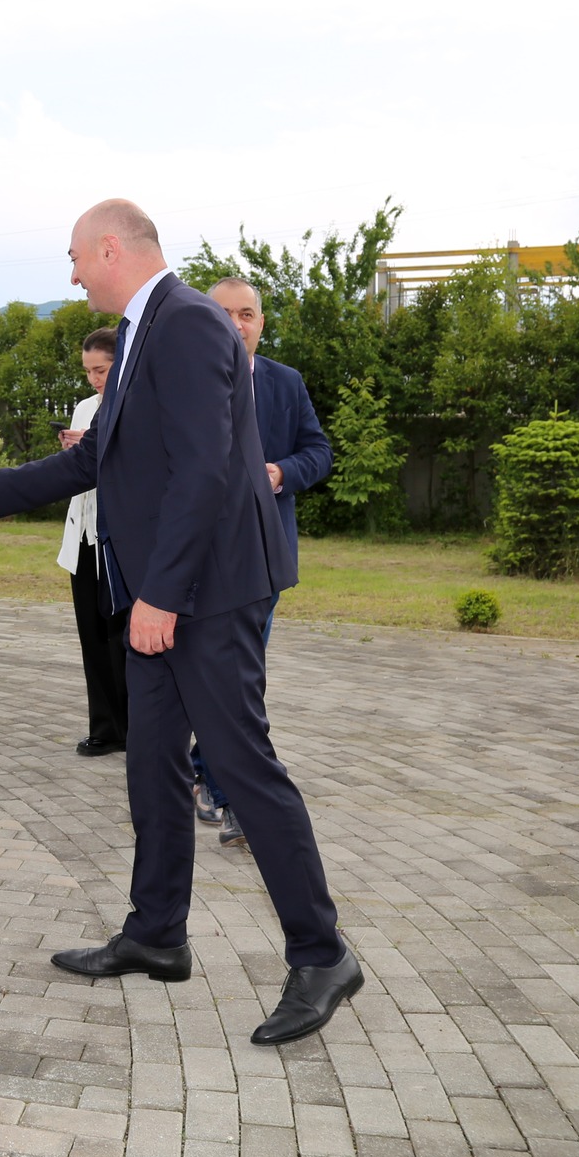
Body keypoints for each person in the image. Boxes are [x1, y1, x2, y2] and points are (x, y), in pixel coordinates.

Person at [0, 200, 360, 1047]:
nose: (71, 274)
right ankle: (158, 932)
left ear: (110, 247)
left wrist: (162, 594)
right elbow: (100, 458)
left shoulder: (189, 322)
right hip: (166, 591)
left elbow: (207, 470)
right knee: (153, 763)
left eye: (75, 257)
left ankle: (322, 953)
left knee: (242, 763)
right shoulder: (139, 329)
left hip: (207, 591)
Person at [190, 277, 335, 848]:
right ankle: (223, 789)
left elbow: (318, 452)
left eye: (246, 314)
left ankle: (212, 776)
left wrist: (280, 473)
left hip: (263, 559)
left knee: (240, 678)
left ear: (261, 323)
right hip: (197, 557)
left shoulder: (285, 382)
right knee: (222, 678)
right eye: (223, 314)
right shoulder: (184, 381)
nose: (235, 324)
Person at [57, 326, 127, 758]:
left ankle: (139, 729)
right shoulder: (84, 407)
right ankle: (106, 727)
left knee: (124, 638)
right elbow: (76, 471)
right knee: (92, 637)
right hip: (83, 537)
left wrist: (95, 450)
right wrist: (73, 451)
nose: (94, 379)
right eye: (87, 371)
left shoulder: (136, 404)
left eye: (100, 370)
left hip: (120, 540)